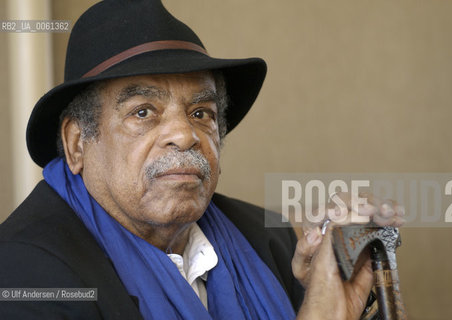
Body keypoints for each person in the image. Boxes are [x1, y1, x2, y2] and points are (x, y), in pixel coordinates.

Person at [0, 1, 404, 319]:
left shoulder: (271, 240)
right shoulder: (23, 271)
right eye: (143, 112)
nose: (185, 135)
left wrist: (344, 290)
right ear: (76, 144)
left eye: (201, 113)